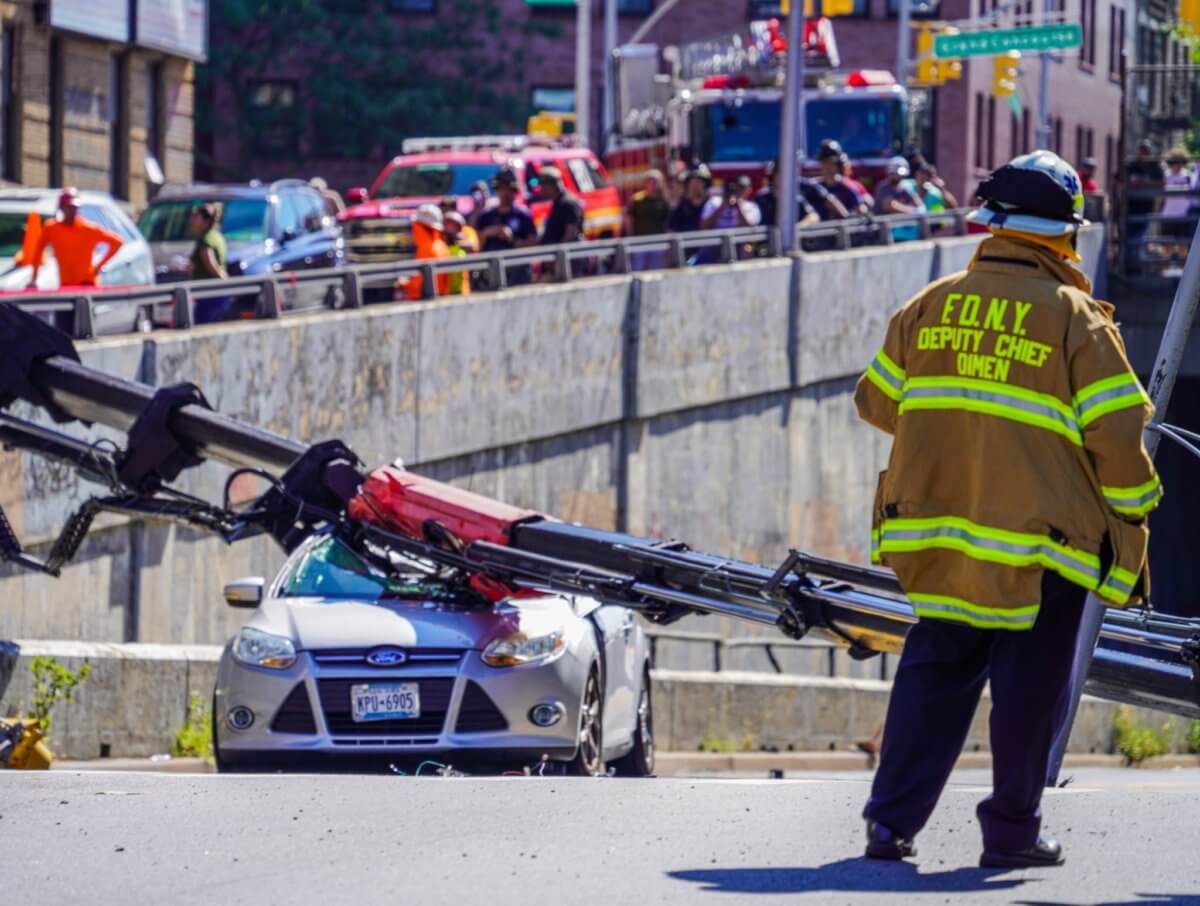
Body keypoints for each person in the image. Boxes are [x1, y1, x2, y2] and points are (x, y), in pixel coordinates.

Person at [857, 150, 1161, 869]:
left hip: (941, 538)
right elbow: (1118, 441)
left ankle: (889, 826)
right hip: (1041, 547)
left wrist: (962, 434)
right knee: (1028, 690)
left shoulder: (930, 304)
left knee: (935, 671)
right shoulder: (1077, 321)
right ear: (1065, 236)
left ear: (991, 224)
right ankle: (1011, 834)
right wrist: (1134, 515)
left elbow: (876, 402)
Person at [27, 188, 124, 289]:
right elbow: (38, 250)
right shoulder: (52, 228)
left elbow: (117, 242)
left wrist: (99, 266)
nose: (72, 211)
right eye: (68, 207)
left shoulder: (88, 229)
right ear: (61, 208)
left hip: (87, 283)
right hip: (66, 284)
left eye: (74, 208)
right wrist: (34, 278)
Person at [474, 167, 537, 285]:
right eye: (502, 189)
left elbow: (533, 242)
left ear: (514, 191)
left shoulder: (523, 214)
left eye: (508, 189)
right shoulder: (486, 216)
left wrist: (513, 239)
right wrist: (487, 233)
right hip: (490, 272)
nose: (505, 193)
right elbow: (476, 246)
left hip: (518, 271)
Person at [399, 203, 452, 300]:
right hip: (441, 299)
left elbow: (419, 285)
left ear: (420, 226)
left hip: (425, 301)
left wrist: (404, 283)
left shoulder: (427, 249)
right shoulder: (441, 245)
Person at [1126, 140, 1164, 272]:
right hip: (1131, 207)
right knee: (1130, 238)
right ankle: (1130, 267)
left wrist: (1146, 182)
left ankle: (1140, 267)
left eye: (1146, 151)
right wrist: (1132, 183)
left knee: (1141, 238)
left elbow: (1162, 182)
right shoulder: (1132, 165)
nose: (1144, 154)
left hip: (1147, 207)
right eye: (1142, 151)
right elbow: (1120, 180)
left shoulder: (1155, 167)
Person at [625, 169, 671, 270]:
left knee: (656, 269)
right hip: (639, 241)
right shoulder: (637, 200)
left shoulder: (663, 201)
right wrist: (630, 236)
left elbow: (667, 222)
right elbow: (629, 219)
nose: (653, 184)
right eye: (650, 181)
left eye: (655, 181)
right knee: (637, 268)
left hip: (658, 241)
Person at [875, 157, 926, 242]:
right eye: (897, 173)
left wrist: (917, 210)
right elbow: (890, 205)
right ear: (890, 172)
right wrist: (913, 211)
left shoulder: (904, 187)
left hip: (901, 231)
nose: (901, 176)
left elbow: (920, 205)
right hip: (883, 232)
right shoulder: (883, 187)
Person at [1158, 148, 1193, 267]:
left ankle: (1184, 272)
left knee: (1183, 247)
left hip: (1183, 215)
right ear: (1170, 163)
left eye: (1180, 162)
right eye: (1174, 162)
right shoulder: (1166, 175)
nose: (1177, 165)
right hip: (1168, 215)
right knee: (1167, 247)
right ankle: (1164, 270)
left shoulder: (1188, 176)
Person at [817, 140, 870, 216]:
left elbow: (861, 210)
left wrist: (846, 214)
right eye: (825, 162)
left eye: (832, 163)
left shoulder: (848, 187)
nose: (828, 167)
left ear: (838, 165)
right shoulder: (815, 187)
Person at [537, 165, 584, 245]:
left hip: (568, 252)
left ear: (550, 186)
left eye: (542, 186)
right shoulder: (558, 202)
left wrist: (559, 251)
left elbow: (572, 233)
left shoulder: (568, 202)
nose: (540, 189)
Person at [189, 203, 228, 281]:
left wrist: (227, 282)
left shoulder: (206, 239)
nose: (191, 221)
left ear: (206, 221)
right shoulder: (216, 235)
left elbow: (212, 267)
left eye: (196, 217)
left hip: (207, 286)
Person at [668, 166, 712, 233]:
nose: (695, 186)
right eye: (692, 182)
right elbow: (671, 230)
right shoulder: (681, 208)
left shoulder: (712, 205)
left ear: (705, 185)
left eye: (698, 182)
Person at [442, 211, 476, 296]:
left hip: (463, 287)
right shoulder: (441, 236)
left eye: (452, 223)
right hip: (446, 288)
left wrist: (455, 240)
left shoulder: (467, 231)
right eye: (446, 223)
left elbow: (472, 246)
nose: (449, 226)